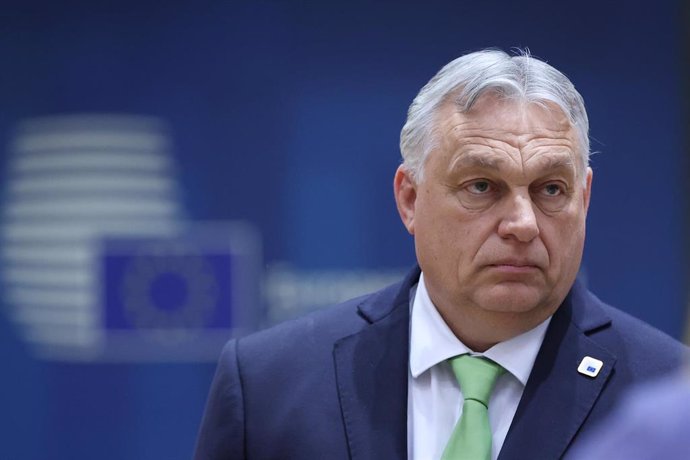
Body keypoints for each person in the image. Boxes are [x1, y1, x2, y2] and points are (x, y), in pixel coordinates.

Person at [193, 49, 687, 459]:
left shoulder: (668, 398)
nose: (522, 223)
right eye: (481, 185)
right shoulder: (269, 385)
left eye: (551, 189)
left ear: (584, 199)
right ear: (410, 199)